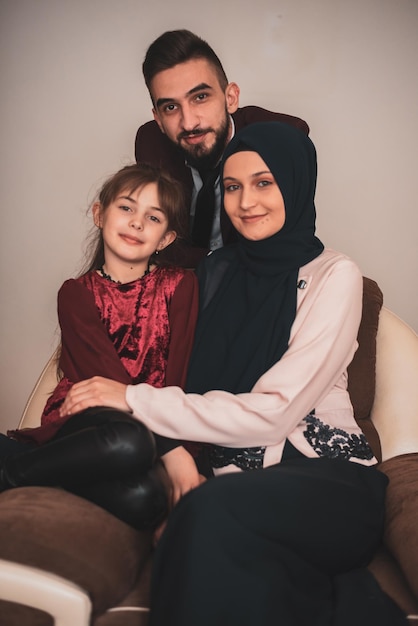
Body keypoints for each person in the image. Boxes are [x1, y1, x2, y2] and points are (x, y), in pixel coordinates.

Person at [58, 122, 407, 625]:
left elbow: (275, 413)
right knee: (204, 521)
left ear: (296, 182)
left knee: (205, 515)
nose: (246, 202)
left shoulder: (335, 275)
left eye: (264, 182)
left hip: (327, 482)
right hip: (228, 478)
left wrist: (132, 399)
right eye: (233, 186)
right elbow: (160, 361)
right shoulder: (212, 274)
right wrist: (169, 453)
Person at [0, 162, 199, 531]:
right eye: (126, 208)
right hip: (89, 421)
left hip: (152, 427)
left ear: (167, 238)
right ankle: (10, 472)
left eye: (153, 218)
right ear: (99, 213)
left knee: (144, 499)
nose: (137, 223)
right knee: (128, 440)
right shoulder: (76, 294)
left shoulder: (180, 286)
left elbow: (179, 376)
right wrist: (173, 452)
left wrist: (171, 440)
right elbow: (104, 379)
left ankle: (25, 466)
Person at [135, 29, 309, 266]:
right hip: (185, 280)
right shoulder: (151, 143)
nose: (189, 123)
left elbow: (278, 247)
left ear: (231, 98)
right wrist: (211, 262)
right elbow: (153, 240)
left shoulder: (280, 138)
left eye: (200, 97)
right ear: (158, 120)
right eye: (171, 108)